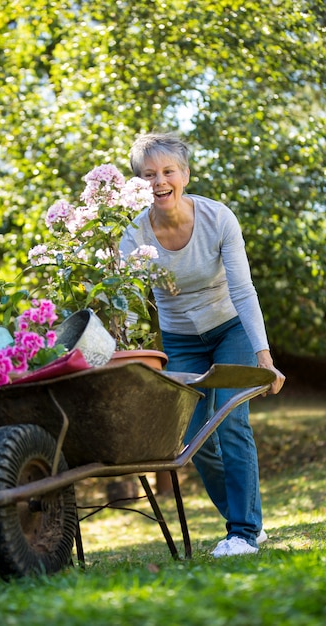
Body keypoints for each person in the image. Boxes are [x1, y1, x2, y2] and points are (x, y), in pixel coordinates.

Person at [120, 131, 285, 557]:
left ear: (185, 175)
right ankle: (249, 520)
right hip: (180, 340)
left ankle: (243, 533)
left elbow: (244, 291)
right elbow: (120, 297)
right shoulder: (135, 233)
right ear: (139, 182)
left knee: (231, 420)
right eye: (148, 174)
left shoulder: (218, 219)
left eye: (168, 171)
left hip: (230, 329)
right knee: (194, 439)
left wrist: (263, 356)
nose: (159, 181)